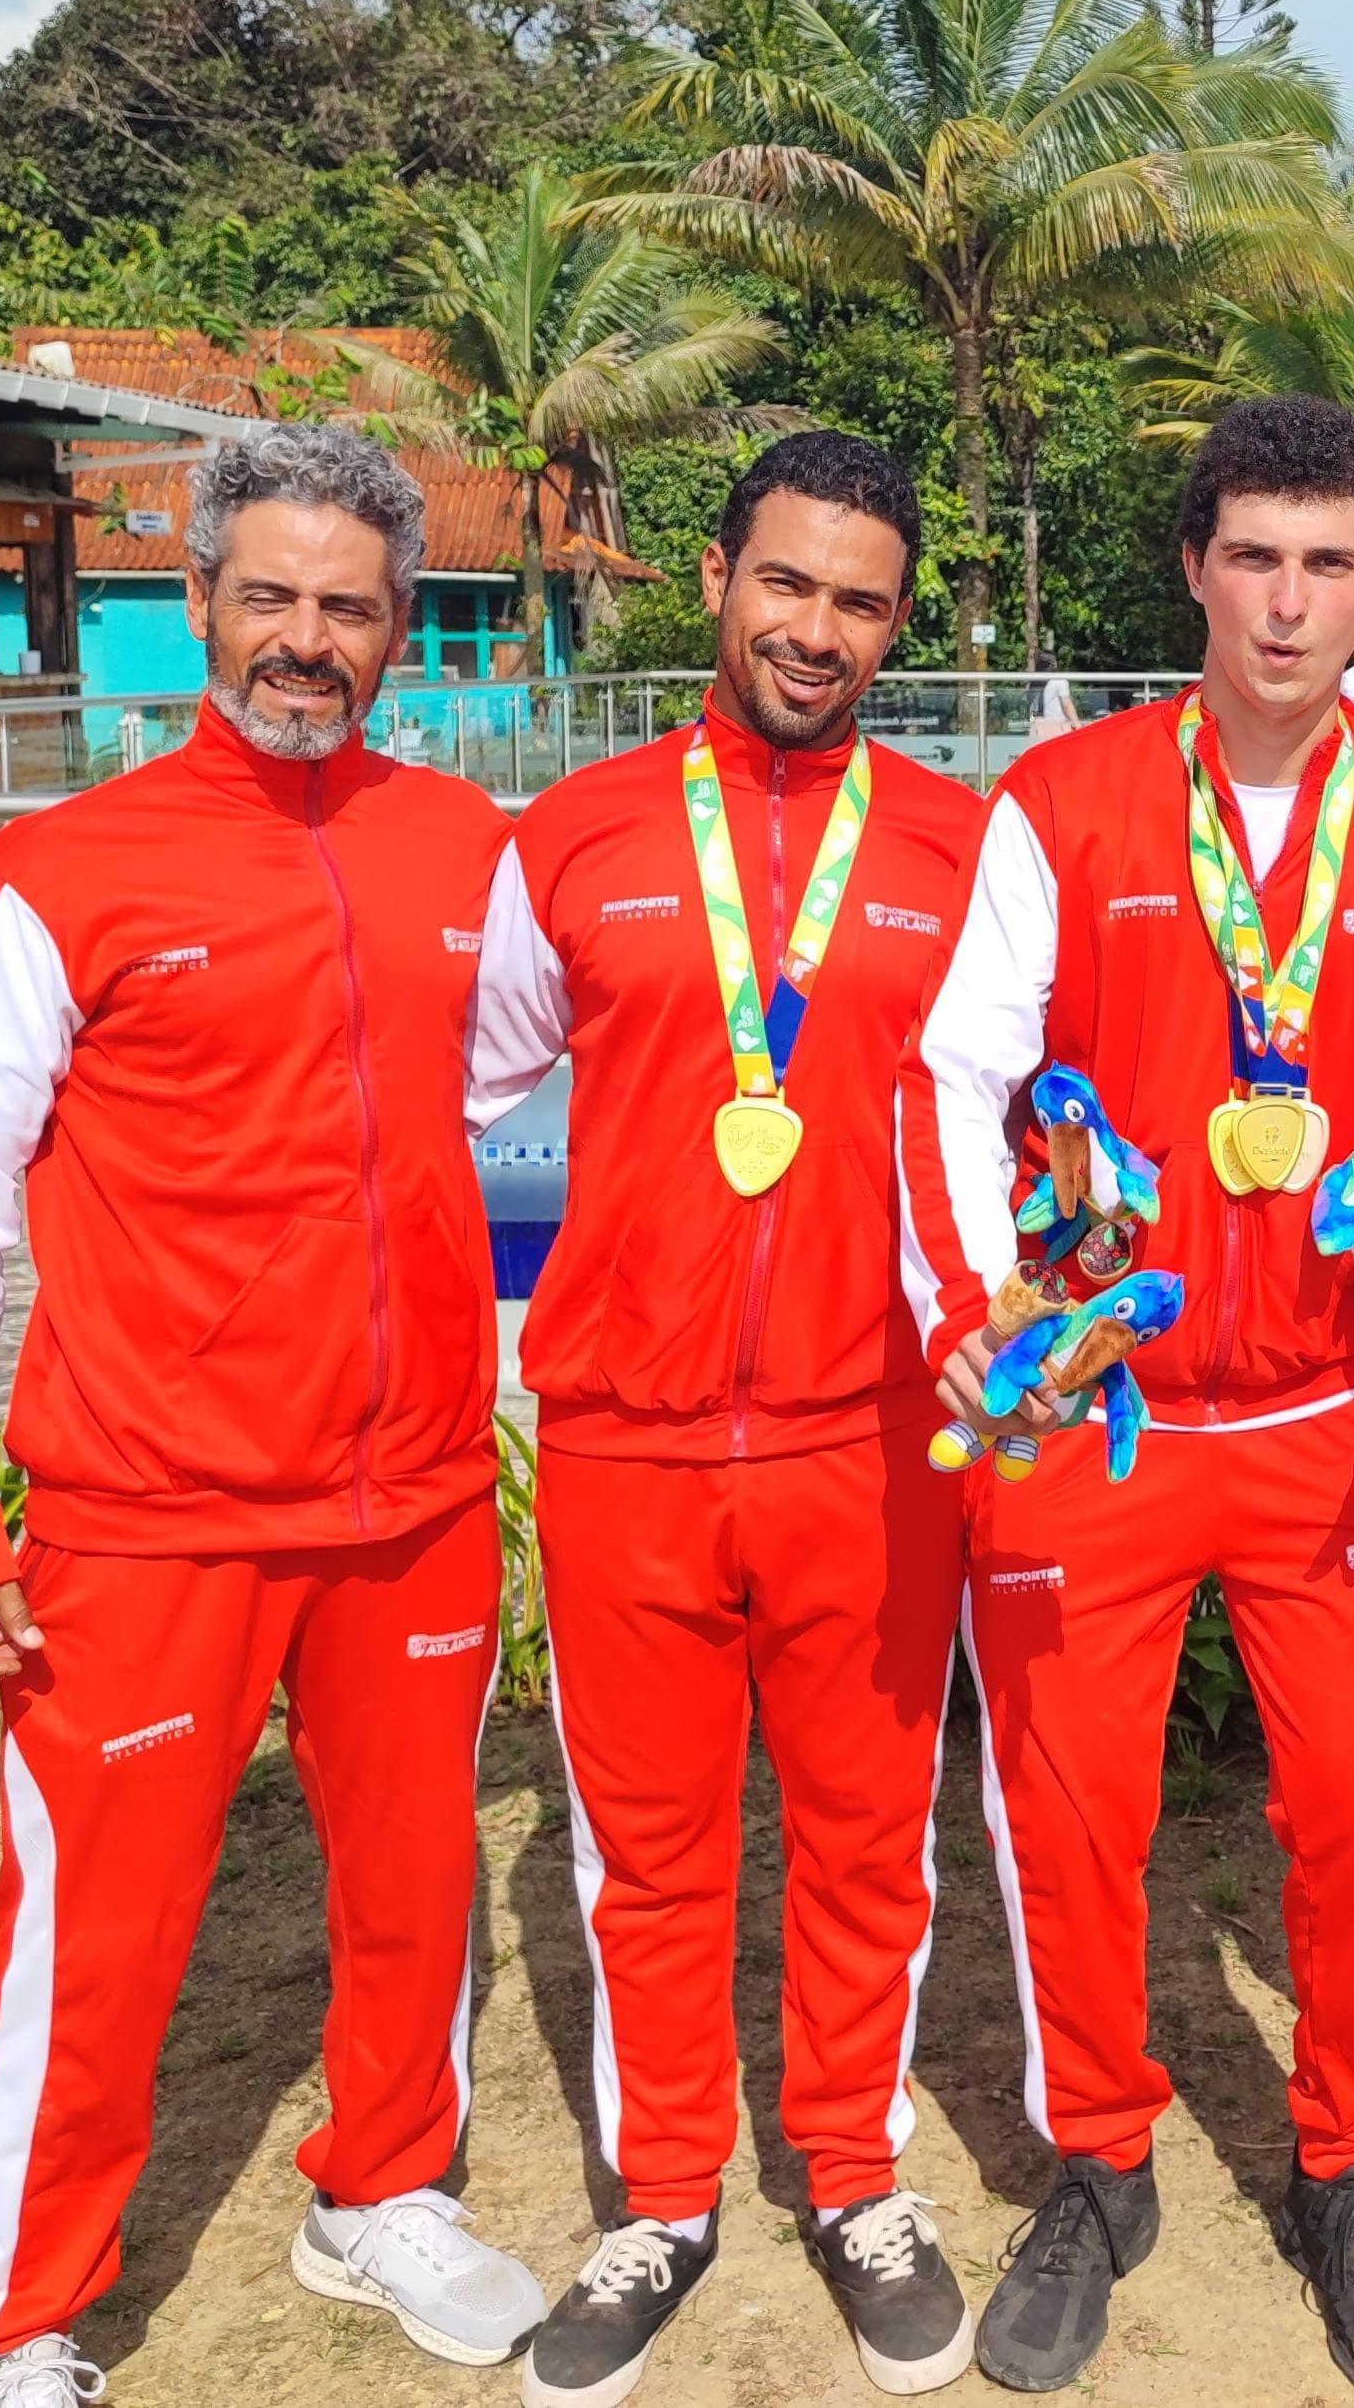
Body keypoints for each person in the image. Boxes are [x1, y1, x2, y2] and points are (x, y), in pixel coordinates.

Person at [0, 425, 547, 2406]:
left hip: (407, 1499)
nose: (306, 639)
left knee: (416, 1895)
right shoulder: (55, 875)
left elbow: (475, 1089)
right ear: (202, 607)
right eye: (273, 597)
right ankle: (11, 2318)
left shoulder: (463, 857)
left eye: (348, 607)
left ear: (398, 631)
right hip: (146, 1519)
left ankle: (384, 2190)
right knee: (98, 1938)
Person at [896, 394, 1354, 2402]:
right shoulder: (1061, 801)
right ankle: (1096, 2153)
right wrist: (986, 1314)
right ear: (1191, 566)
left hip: (1338, 1420)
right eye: (1253, 554)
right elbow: (954, 1082)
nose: (1287, 598)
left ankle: (1347, 2163)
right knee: (1075, 1818)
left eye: (1329, 563)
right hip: (1100, 1418)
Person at [466, 434, 984, 2402]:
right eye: (789, 584)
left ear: (895, 618)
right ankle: (664, 2194)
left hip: (871, 1445)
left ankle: (853, 2171)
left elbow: (1026, 1116)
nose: (817, 631)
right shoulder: (578, 837)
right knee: (650, 1849)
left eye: (860, 600)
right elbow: (460, 1105)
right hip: (628, 1438)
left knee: (866, 1837)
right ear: (714, 578)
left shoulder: (955, 847)